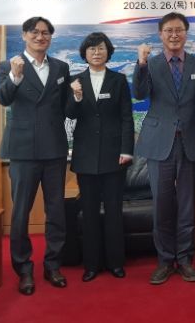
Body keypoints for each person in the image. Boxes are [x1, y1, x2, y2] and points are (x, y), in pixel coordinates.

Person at [132, 12, 195, 284]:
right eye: (169, 31)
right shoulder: (150, 64)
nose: (174, 35)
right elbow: (139, 93)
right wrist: (141, 64)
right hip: (159, 143)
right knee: (162, 206)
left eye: (179, 30)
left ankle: (185, 259)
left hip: (190, 143)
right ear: (160, 34)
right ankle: (165, 260)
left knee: (187, 207)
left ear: (186, 33)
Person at [0, 16, 70, 295]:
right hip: (23, 150)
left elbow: (66, 107)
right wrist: (15, 77)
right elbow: (3, 98)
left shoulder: (61, 67)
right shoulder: (9, 65)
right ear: (25, 36)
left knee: (56, 211)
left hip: (54, 149)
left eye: (46, 33)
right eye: (35, 32)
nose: (41, 37)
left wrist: (76, 98)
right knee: (20, 213)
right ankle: (23, 269)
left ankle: (53, 265)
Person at [65, 32, 134, 282]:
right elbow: (69, 114)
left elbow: (126, 117)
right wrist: (76, 97)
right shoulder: (75, 81)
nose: (96, 52)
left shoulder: (118, 80)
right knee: (90, 213)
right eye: (92, 49)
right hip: (85, 157)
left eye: (101, 48)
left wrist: (126, 150)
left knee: (114, 212)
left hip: (114, 157)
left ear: (108, 52)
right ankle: (91, 264)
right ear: (84, 53)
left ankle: (116, 262)